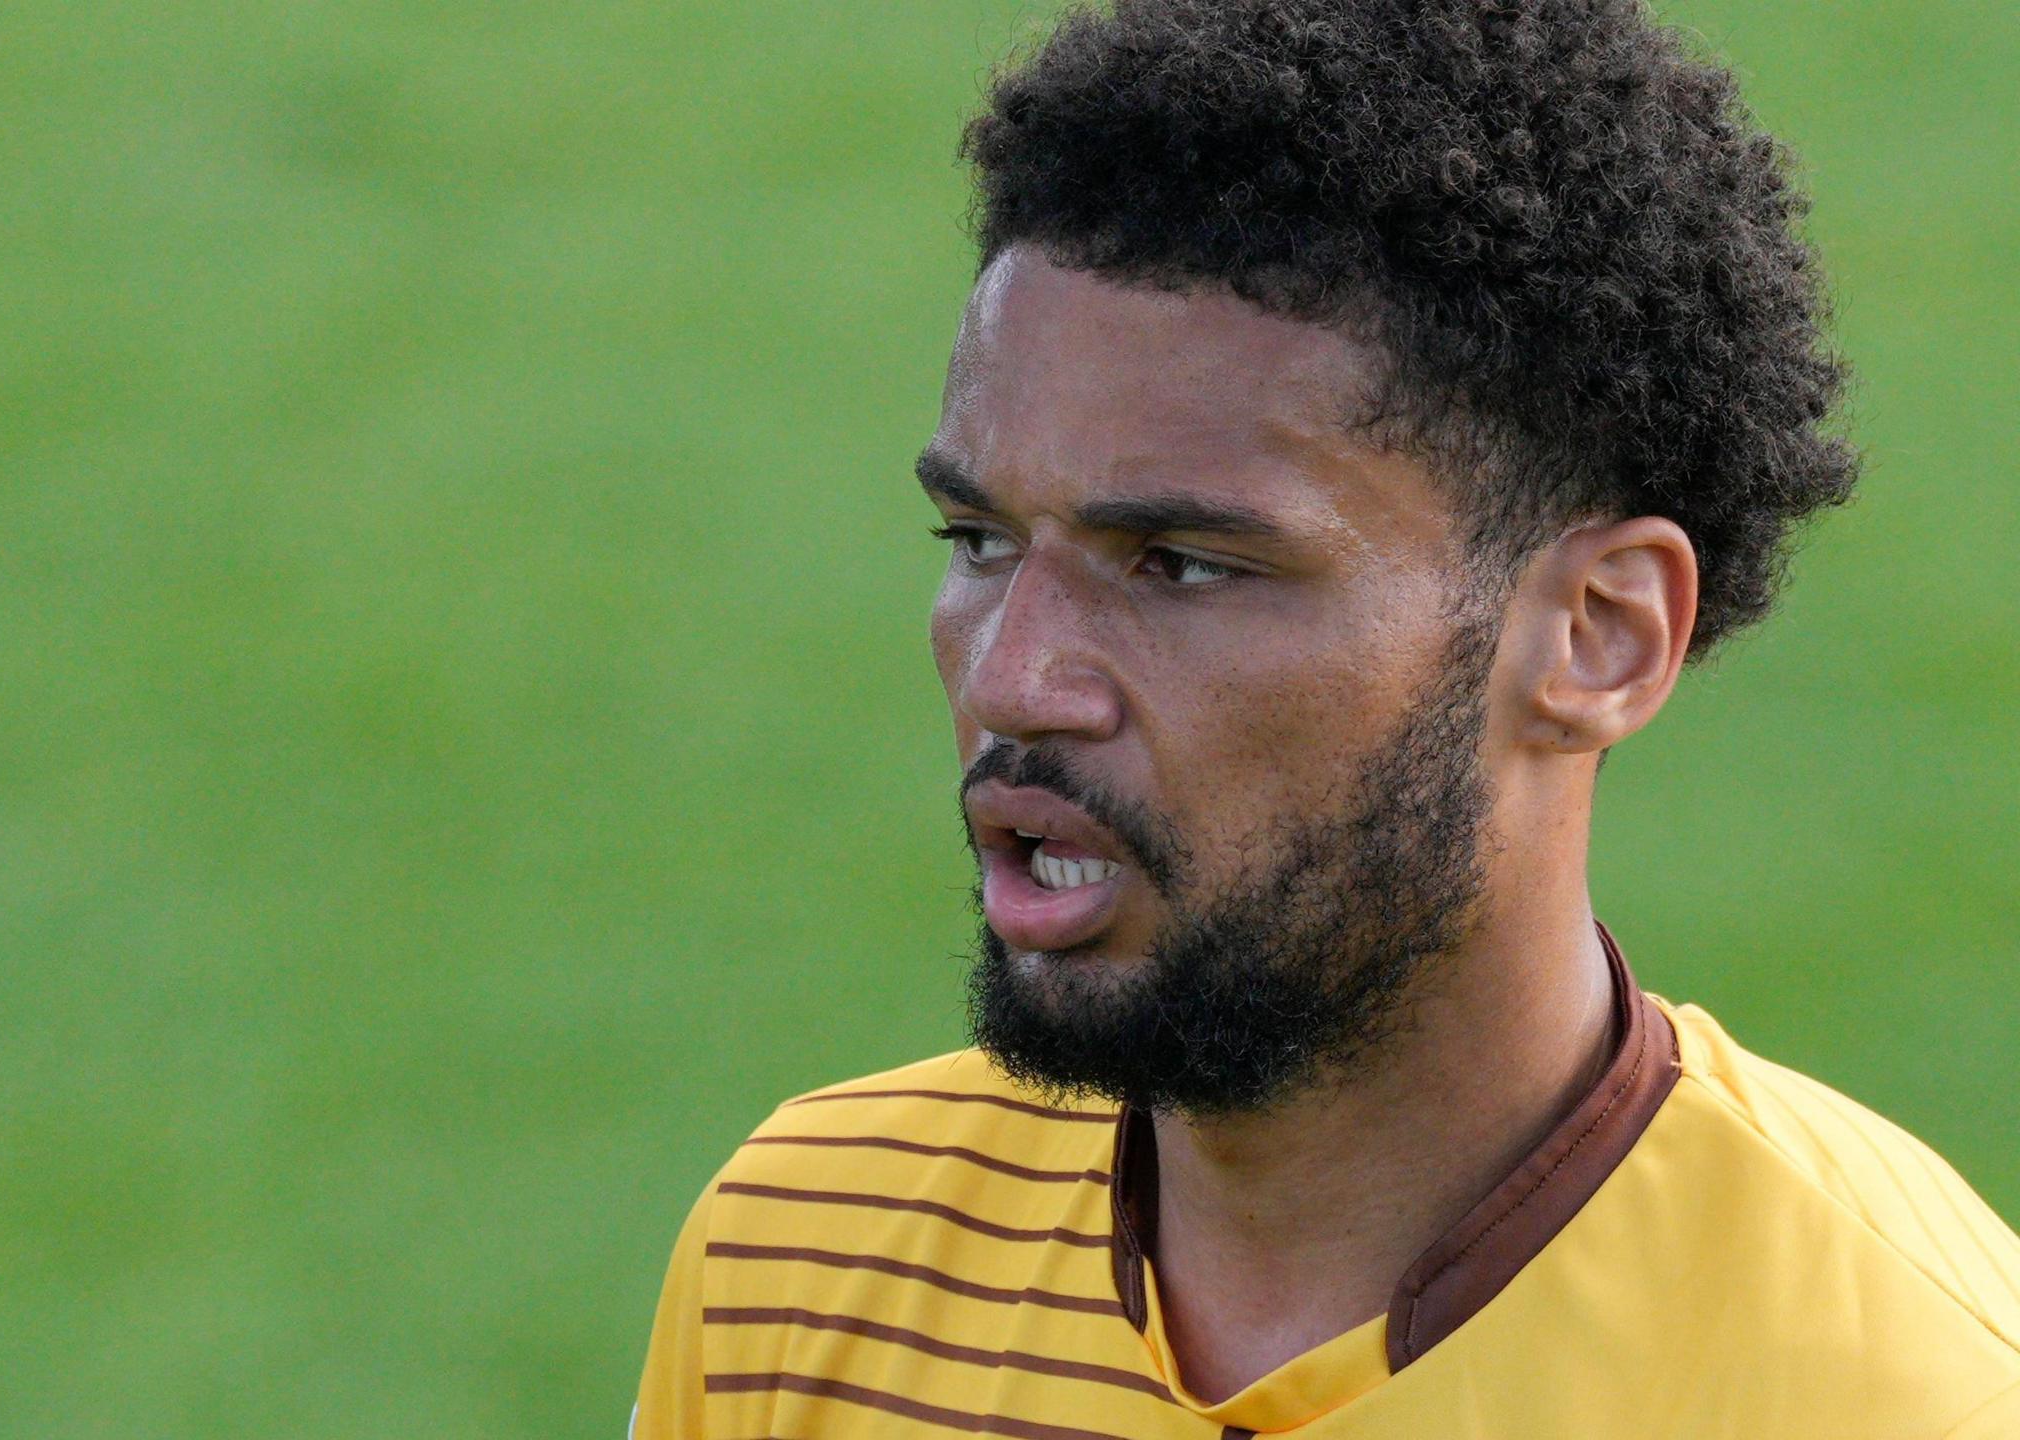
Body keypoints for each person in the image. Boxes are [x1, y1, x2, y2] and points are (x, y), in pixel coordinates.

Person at [628, 1, 2020, 1436]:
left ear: (1598, 636)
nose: (1011, 679)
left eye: (1184, 565)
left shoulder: (1906, 1393)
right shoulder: (799, 1266)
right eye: (978, 541)